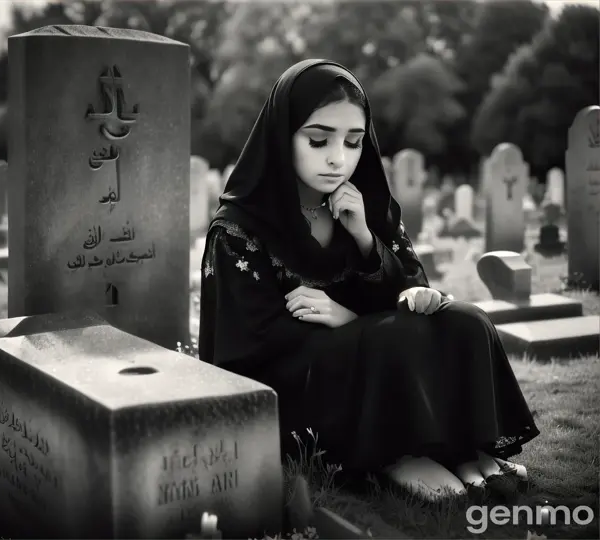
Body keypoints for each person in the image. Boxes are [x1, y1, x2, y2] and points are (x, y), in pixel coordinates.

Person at [198, 59, 540, 501]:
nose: (338, 158)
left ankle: (465, 447)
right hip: (298, 389)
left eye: (354, 141)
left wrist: (363, 241)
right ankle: (396, 455)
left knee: (464, 320)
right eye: (318, 140)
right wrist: (355, 327)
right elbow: (248, 348)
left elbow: (412, 286)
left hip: (370, 350)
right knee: (389, 338)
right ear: (283, 137)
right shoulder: (239, 231)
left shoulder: (366, 206)